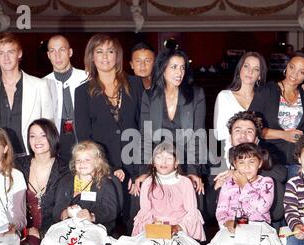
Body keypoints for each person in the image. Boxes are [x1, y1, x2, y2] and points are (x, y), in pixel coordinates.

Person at [111, 142, 205, 245]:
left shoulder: (185, 183)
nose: (164, 162)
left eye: (169, 158)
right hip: (154, 230)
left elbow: (191, 212)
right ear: (153, 162)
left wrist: (178, 227)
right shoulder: (148, 183)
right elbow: (145, 212)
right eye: (159, 158)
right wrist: (153, 226)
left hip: (179, 229)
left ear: (176, 162)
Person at [205, 143, 284, 245]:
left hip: (258, 226)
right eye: (241, 163)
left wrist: (245, 185)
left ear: (260, 163)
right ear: (234, 165)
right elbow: (221, 210)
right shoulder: (228, 184)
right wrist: (227, 223)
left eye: (251, 162)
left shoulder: (267, 182)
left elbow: (262, 207)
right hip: (232, 227)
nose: (247, 167)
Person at [74, 34, 141, 213]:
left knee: (133, 221)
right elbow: (84, 137)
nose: (105, 57)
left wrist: (139, 170)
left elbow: (144, 126)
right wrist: (107, 167)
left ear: (117, 55)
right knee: (105, 221)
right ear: (92, 56)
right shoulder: (82, 92)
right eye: (99, 51)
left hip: (134, 166)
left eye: (110, 51)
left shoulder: (135, 85)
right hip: (102, 169)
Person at [45, 141, 119, 245]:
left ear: (98, 162)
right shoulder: (66, 181)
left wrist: (92, 215)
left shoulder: (104, 183)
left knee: (81, 244)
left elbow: (111, 210)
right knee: (52, 242)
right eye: (79, 160)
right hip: (69, 226)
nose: (82, 164)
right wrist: (64, 212)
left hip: (94, 226)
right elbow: (57, 207)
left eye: (87, 160)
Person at [136, 48, 206, 197]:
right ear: (162, 69)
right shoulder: (149, 95)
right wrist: (145, 172)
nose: (179, 72)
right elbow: (145, 137)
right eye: (174, 67)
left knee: (194, 193)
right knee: (141, 191)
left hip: (187, 160)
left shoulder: (196, 94)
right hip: (159, 162)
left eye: (182, 67)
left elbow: (198, 136)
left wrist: (194, 171)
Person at [15, 119, 69, 245]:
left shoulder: (66, 167)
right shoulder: (18, 165)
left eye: (42, 135)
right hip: (24, 227)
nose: (37, 140)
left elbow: (66, 205)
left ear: (52, 137)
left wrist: (43, 231)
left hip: (54, 227)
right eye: (32, 136)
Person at [0, 33, 53, 156]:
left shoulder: (40, 85)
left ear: (19, 53)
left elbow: (48, 127)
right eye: (1, 53)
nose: (6, 58)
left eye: (10, 52)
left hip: (30, 156)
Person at [209, 111, 287, 226]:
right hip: (231, 225)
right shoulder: (218, 161)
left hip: (261, 222)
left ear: (256, 139)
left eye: (249, 131)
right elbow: (210, 210)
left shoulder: (266, 153)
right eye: (237, 130)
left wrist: (239, 173)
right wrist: (216, 188)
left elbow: (281, 174)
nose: (243, 135)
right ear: (230, 138)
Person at [250, 52, 304, 179]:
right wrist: (283, 135)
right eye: (292, 67)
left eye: (302, 72)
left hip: (298, 162)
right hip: (270, 162)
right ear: (287, 66)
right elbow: (251, 128)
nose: (294, 74)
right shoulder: (267, 91)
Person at [214, 51, 267, 167]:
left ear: (260, 75)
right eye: (246, 66)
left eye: (256, 69)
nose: (250, 72)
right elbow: (220, 135)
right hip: (229, 159)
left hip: (255, 160)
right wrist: (228, 166)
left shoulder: (264, 99)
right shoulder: (225, 96)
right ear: (239, 70)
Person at [44, 35, 87, 163]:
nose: (57, 56)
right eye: (52, 51)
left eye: (62, 50)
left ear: (70, 52)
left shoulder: (87, 78)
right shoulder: (42, 83)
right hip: (57, 143)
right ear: (48, 55)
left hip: (84, 140)